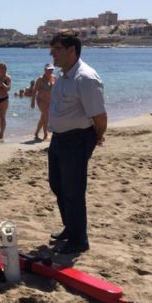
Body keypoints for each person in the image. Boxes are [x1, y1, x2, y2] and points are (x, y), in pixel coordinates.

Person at [47, 31, 107, 255]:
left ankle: (79, 239)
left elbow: (100, 116)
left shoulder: (86, 78)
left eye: (57, 49)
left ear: (72, 51)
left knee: (73, 190)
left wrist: (96, 137)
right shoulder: (63, 75)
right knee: (57, 184)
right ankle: (69, 228)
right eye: (52, 49)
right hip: (59, 138)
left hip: (77, 139)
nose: (52, 53)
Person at [31, 63, 56, 141]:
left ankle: (36, 133)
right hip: (41, 100)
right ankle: (45, 134)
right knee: (46, 116)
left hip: (50, 101)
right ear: (45, 70)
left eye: (51, 69)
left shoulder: (54, 77)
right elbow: (35, 90)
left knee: (43, 118)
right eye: (48, 69)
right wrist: (33, 102)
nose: (50, 71)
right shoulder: (40, 79)